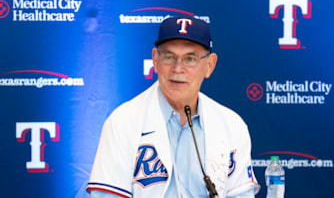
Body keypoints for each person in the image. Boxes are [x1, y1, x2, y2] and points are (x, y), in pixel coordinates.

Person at [87, 16, 260, 198]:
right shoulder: (122, 122)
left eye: (190, 59)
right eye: (169, 57)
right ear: (155, 60)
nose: (178, 68)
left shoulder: (232, 126)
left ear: (210, 65)